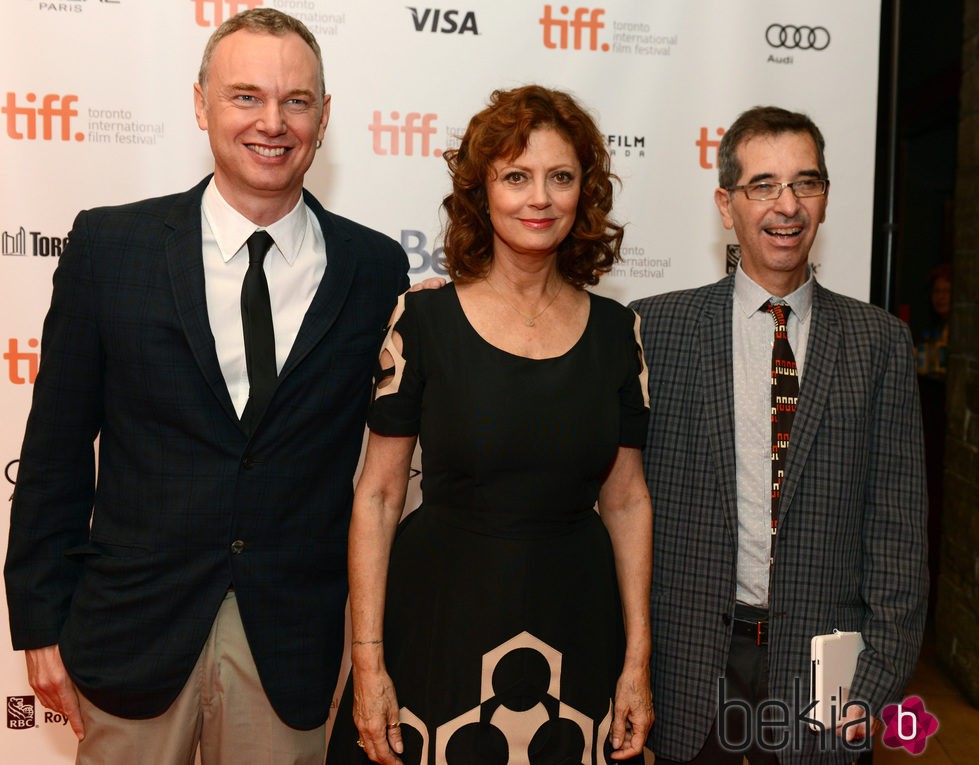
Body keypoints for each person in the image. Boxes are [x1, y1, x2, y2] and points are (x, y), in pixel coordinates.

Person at [3, 9, 413, 764]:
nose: (272, 121)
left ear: (325, 119)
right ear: (201, 105)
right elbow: (55, 449)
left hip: (291, 642)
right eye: (245, 96)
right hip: (131, 630)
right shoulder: (109, 247)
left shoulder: (374, 268)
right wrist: (35, 621)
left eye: (296, 100)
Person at [326, 85, 654, 765]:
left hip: (578, 625)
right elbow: (380, 495)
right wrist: (368, 661)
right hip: (438, 625)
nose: (540, 198)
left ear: (584, 192)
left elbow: (625, 500)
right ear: (481, 192)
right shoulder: (421, 322)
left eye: (560, 177)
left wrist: (636, 658)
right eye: (515, 176)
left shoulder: (618, 334)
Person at [630, 105, 928, 764]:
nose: (785, 204)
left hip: (828, 668)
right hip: (685, 664)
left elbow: (898, 530)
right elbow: (617, 505)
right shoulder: (654, 330)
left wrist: (876, 683)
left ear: (824, 197)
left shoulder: (878, 342)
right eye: (761, 184)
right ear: (724, 203)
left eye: (805, 183)